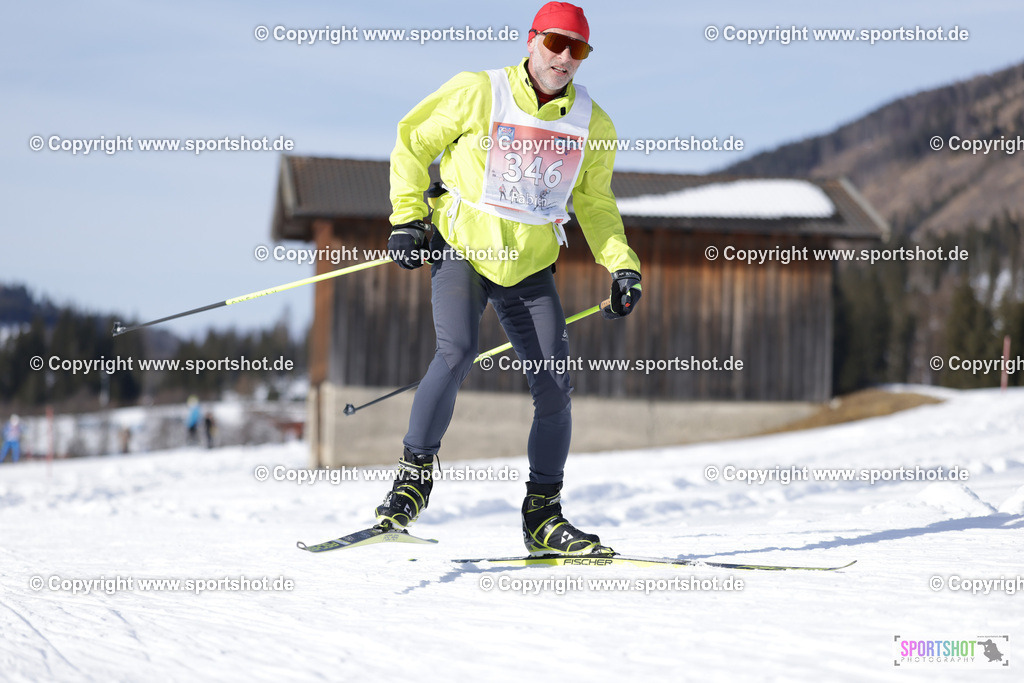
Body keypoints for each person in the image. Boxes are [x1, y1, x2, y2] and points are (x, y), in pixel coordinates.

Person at [374, 2, 642, 556]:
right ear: (530, 42)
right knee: (457, 350)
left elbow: (594, 203)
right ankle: (412, 479)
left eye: (578, 49)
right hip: (463, 250)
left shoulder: (593, 122)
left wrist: (622, 264)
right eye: (555, 44)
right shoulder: (478, 91)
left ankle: (543, 514)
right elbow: (412, 142)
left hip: (529, 265)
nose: (564, 57)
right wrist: (407, 218)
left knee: (555, 383)